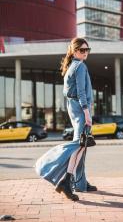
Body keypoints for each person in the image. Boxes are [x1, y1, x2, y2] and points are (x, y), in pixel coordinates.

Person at [35, 37, 97, 201]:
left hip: (74, 107)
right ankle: (65, 180)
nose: (85, 53)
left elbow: (69, 93)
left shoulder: (71, 66)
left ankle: (80, 183)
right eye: (82, 50)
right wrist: (86, 112)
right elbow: (82, 92)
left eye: (87, 50)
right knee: (79, 145)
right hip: (80, 108)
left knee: (83, 145)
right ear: (75, 51)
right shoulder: (80, 66)